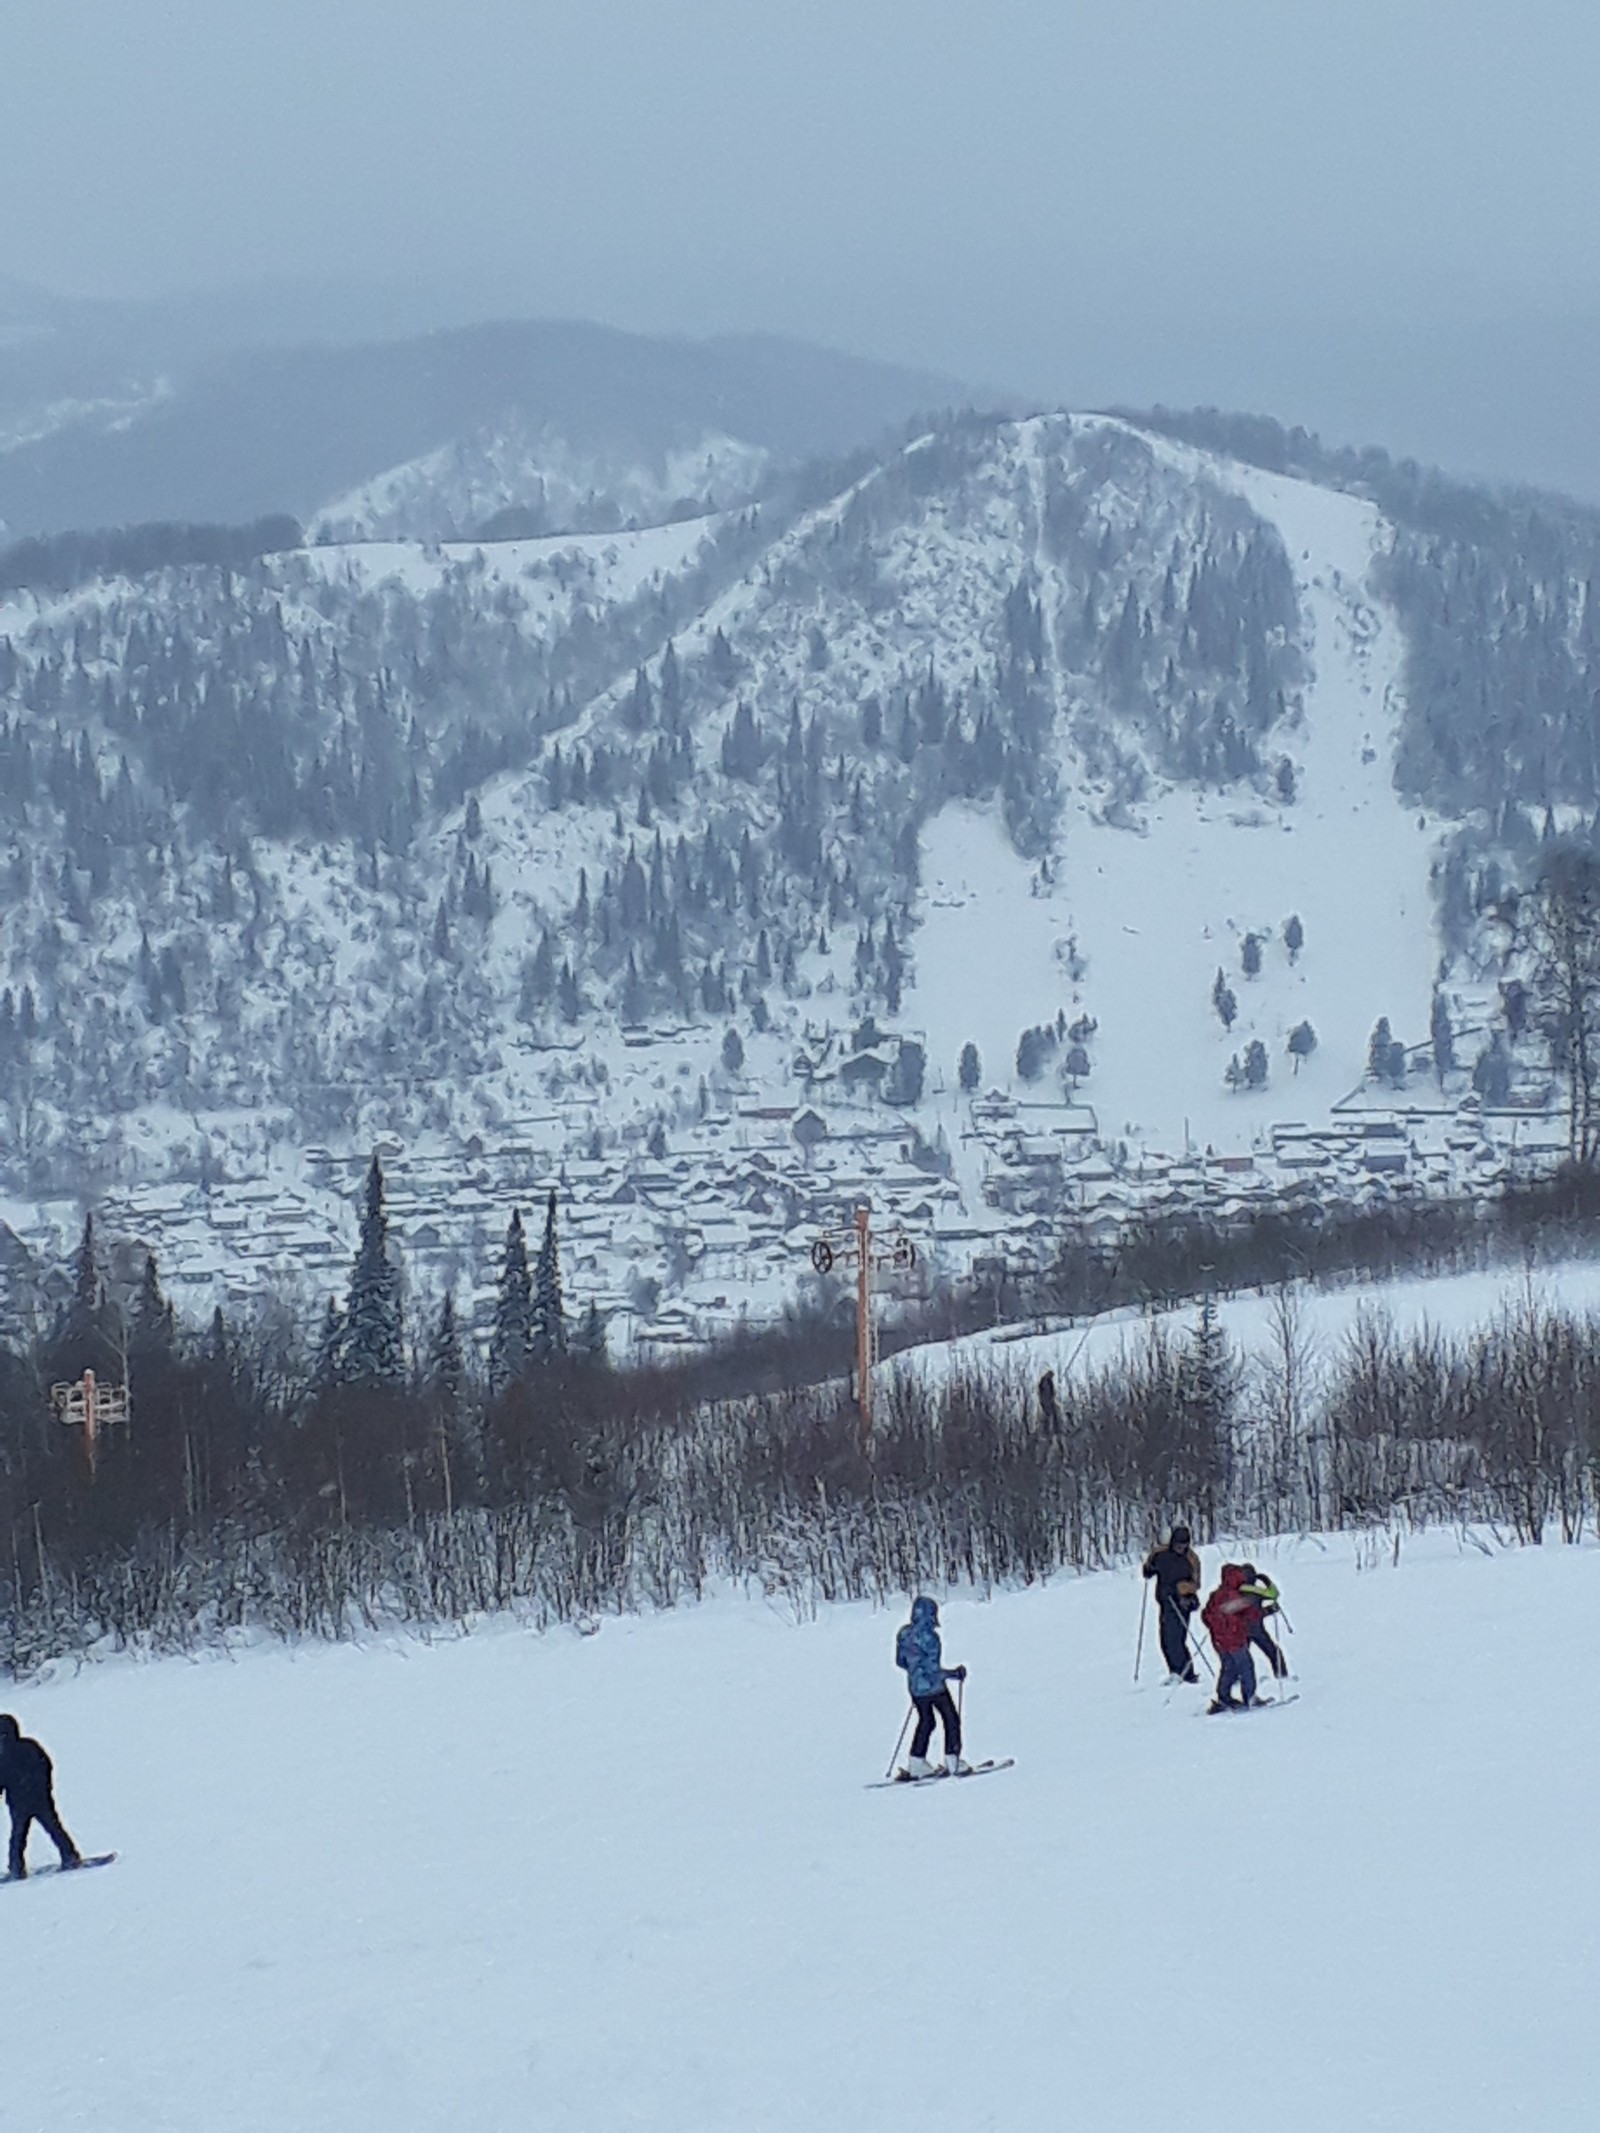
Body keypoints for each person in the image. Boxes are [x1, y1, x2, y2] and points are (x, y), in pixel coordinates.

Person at [894, 1596, 970, 1777]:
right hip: (934, 1688)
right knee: (950, 1719)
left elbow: (900, 1662)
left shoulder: (904, 1634)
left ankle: (916, 1762)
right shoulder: (930, 1638)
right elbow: (933, 1669)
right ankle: (953, 1760)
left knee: (926, 1721)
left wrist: (915, 1672)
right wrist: (953, 1674)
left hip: (915, 1689)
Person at [0, 1713, 82, 1879]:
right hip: (36, 1800)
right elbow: (46, 1767)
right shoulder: (28, 1747)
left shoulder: (9, 1753)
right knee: (52, 1830)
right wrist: (44, 1788)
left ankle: (17, 1869)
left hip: (25, 1802)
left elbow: (43, 1769)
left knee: (19, 1837)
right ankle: (69, 1857)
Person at [1142, 1524, 1202, 1683]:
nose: (1180, 1548)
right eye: (1177, 1544)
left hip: (1183, 1602)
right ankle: (1176, 1672)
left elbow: (1196, 1584)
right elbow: (1150, 1567)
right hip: (1164, 1601)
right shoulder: (1160, 1554)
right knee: (1165, 1640)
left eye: (1183, 1545)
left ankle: (1186, 1674)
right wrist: (1148, 1571)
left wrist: (1180, 1589)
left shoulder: (1192, 1559)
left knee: (1175, 1639)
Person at [1201, 1564, 1264, 1712]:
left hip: (1219, 1640)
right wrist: (1265, 1610)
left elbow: (1206, 1615)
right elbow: (1250, 1615)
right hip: (1235, 1639)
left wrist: (1216, 1627)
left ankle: (1223, 1697)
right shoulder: (1238, 1596)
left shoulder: (1215, 1595)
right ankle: (1250, 1696)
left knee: (1228, 1668)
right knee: (1246, 1666)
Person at [1239, 1564, 1288, 1681]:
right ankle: (1281, 1675)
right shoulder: (1256, 1591)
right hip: (1256, 1628)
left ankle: (1236, 1678)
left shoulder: (1236, 1590)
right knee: (1273, 1652)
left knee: (1239, 1657)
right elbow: (1274, 1594)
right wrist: (1266, 1580)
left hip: (1239, 1629)